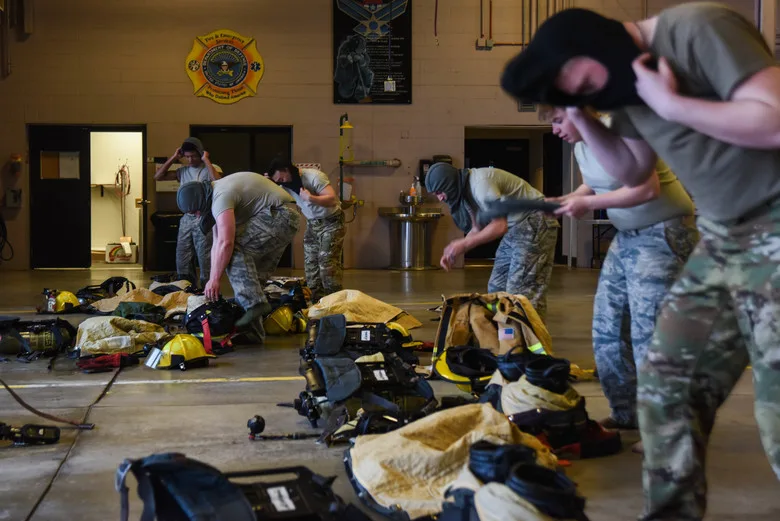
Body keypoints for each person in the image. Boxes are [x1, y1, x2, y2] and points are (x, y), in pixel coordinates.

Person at [500, 4, 780, 520]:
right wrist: (582, 116)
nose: (591, 100)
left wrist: (671, 103)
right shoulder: (623, 87)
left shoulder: (698, 30)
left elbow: (774, 120)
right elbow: (631, 168)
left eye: (586, 90)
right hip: (724, 237)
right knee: (665, 386)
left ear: (595, 45)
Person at [540, 105, 699, 435]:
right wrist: (566, 200)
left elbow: (646, 188)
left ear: (580, 112)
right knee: (607, 328)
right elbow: (593, 185)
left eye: (558, 120)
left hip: (662, 230)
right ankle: (627, 413)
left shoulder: (620, 128)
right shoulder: (581, 144)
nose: (555, 129)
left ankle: (664, 431)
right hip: (628, 234)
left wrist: (588, 205)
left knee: (649, 334)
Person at [425, 162, 560, 321]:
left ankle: (528, 341)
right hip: (516, 226)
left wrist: (463, 244)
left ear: (449, 184)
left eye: (440, 192)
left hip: (535, 220)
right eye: (436, 194)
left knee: (521, 292)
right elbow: (477, 229)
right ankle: (505, 336)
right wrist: (454, 252)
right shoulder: (465, 192)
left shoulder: (480, 185)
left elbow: (499, 226)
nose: (440, 198)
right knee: (497, 287)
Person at [176, 172, 300, 332]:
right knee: (253, 279)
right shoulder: (214, 194)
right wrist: (211, 279)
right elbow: (217, 243)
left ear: (200, 201)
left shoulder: (220, 198)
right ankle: (253, 333)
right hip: (282, 217)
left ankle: (254, 303)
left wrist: (215, 279)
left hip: (280, 215)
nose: (197, 216)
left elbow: (226, 243)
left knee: (233, 250)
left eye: (196, 212)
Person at [267, 158, 345, 302]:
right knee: (310, 265)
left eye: (282, 177)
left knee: (327, 262)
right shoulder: (285, 183)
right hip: (313, 223)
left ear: (287, 169)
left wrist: (311, 198)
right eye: (279, 180)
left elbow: (332, 199)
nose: (282, 181)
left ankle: (335, 302)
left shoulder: (314, 176)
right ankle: (318, 302)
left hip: (331, 221)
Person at [155, 137, 222, 288]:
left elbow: (218, 182)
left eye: (194, 156)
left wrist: (206, 160)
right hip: (186, 218)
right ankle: (186, 289)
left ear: (200, 153)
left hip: (204, 217)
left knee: (205, 257)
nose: (190, 160)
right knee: (182, 256)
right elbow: (158, 177)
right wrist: (173, 158)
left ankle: (208, 290)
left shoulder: (209, 168)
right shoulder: (182, 171)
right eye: (187, 156)